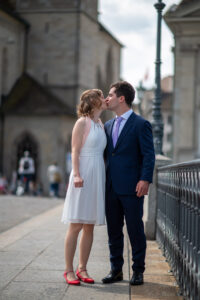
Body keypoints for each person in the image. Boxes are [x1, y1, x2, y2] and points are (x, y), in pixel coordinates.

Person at [102, 81, 155, 286]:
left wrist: (145, 179)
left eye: (110, 94)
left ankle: (138, 271)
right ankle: (116, 270)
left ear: (121, 98)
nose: (107, 98)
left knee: (135, 230)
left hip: (133, 187)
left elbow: (148, 155)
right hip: (110, 187)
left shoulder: (141, 124)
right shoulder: (107, 125)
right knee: (113, 231)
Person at [61, 89, 107, 285]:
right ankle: (69, 270)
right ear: (93, 101)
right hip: (83, 173)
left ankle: (83, 268)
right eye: (101, 96)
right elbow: (75, 150)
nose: (105, 99)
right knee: (76, 224)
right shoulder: (82, 122)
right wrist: (77, 174)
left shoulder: (100, 124)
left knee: (89, 226)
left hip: (97, 174)